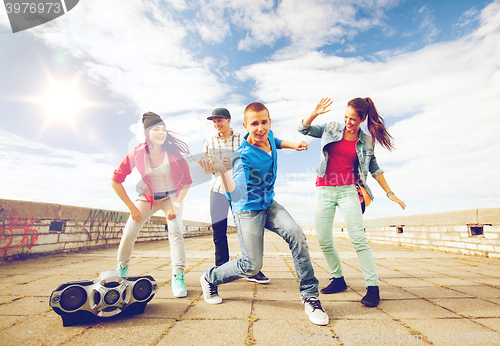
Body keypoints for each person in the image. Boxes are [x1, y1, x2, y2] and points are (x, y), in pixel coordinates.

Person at [198, 102, 329, 326]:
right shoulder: (243, 156)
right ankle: (210, 277)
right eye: (255, 124)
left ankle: (310, 296)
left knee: (296, 233)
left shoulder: (268, 136)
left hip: (268, 203)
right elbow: (237, 192)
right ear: (245, 126)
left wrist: (294, 144)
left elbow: (275, 142)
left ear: (269, 122)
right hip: (247, 208)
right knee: (252, 265)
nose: (260, 128)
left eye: (264, 122)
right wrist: (221, 171)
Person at [298, 97, 405, 307]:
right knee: (324, 239)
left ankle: (373, 287)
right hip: (324, 189)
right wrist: (314, 113)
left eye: (353, 119)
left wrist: (389, 192)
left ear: (362, 118)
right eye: (346, 117)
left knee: (358, 239)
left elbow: (374, 168)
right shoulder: (330, 128)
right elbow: (303, 129)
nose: (348, 122)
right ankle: (338, 279)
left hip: (349, 190)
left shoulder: (366, 141)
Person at [111, 112, 192, 298]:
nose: (161, 132)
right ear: (147, 133)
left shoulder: (174, 154)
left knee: (175, 232)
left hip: (171, 197)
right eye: (156, 129)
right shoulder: (137, 153)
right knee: (129, 232)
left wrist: (176, 206)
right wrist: (132, 208)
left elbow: (187, 182)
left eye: (163, 129)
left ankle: (178, 275)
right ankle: (121, 270)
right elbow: (115, 181)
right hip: (146, 198)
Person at [203, 108, 270, 284]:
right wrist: (213, 166)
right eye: (214, 122)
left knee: (246, 229)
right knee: (218, 231)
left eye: (219, 120)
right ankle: (222, 270)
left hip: (240, 190)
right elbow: (205, 169)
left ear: (228, 120)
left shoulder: (243, 138)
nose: (216, 124)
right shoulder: (210, 141)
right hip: (217, 189)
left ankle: (253, 271)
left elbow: (255, 159)